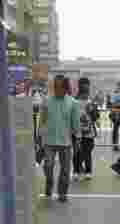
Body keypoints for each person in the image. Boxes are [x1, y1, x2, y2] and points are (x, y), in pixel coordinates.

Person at [39, 74, 80, 202]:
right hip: (48, 140)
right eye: (55, 86)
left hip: (65, 141)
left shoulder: (73, 103)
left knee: (65, 170)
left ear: (65, 87)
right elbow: (42, 120)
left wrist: (77, 137)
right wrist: (39, 136)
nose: (57, 89)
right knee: (48, 165)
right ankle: (49, 183)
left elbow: (75, 123)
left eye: (60, 87)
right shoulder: (46, 101)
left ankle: (62, 193)